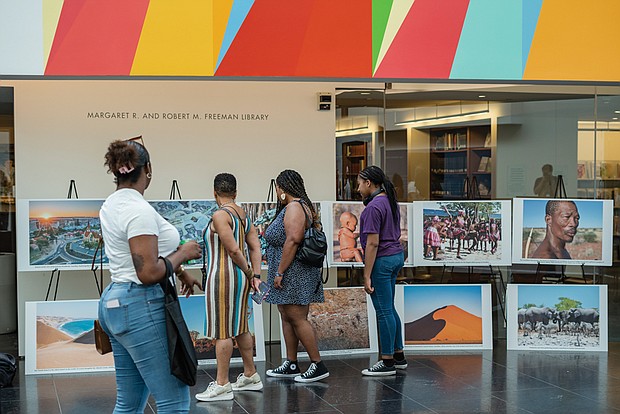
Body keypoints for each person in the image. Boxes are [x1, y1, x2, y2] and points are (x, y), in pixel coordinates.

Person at [98, 138, 202, 413]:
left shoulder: (112, 204)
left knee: (129, 403)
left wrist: (179, 271)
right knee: (174, 401)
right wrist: (185, 253)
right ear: (148, 169)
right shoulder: (139, 210)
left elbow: (143, 254)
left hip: (116, 302)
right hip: (140, 304)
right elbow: (147, 272)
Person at [195, 173, 264, 402]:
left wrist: (247, 271)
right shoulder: (243, 215)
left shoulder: (219, 215)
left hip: (223, 277)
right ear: (235, 192)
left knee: (222, 330)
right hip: (241, 279)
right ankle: (251, 375)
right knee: (241, 325)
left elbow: (234, 250)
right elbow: (254, 247)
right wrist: (254, 274)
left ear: (214, 193)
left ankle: (222, 384)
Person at [264, 169, 329, 383]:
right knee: (287, 315)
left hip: (294, 272)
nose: (276, 192)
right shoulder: (300, 206)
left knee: (298, 318)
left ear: (282, 189)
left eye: (277, 188)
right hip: (291, 271)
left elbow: (293, 240)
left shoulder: (294, 206)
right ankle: (291, 363)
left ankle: (317, 365)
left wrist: (280, 272)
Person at [357, 165, 407, 376]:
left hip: (382, 260)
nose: (358, 189)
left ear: (369, 183)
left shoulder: (373, 207)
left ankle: (387, 362)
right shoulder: (389, 201)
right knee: (390, 307)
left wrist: (367, 274)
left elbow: (372, 244)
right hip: (395, 257)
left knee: (384, 310)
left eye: (359, 184)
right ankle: (398, 356)